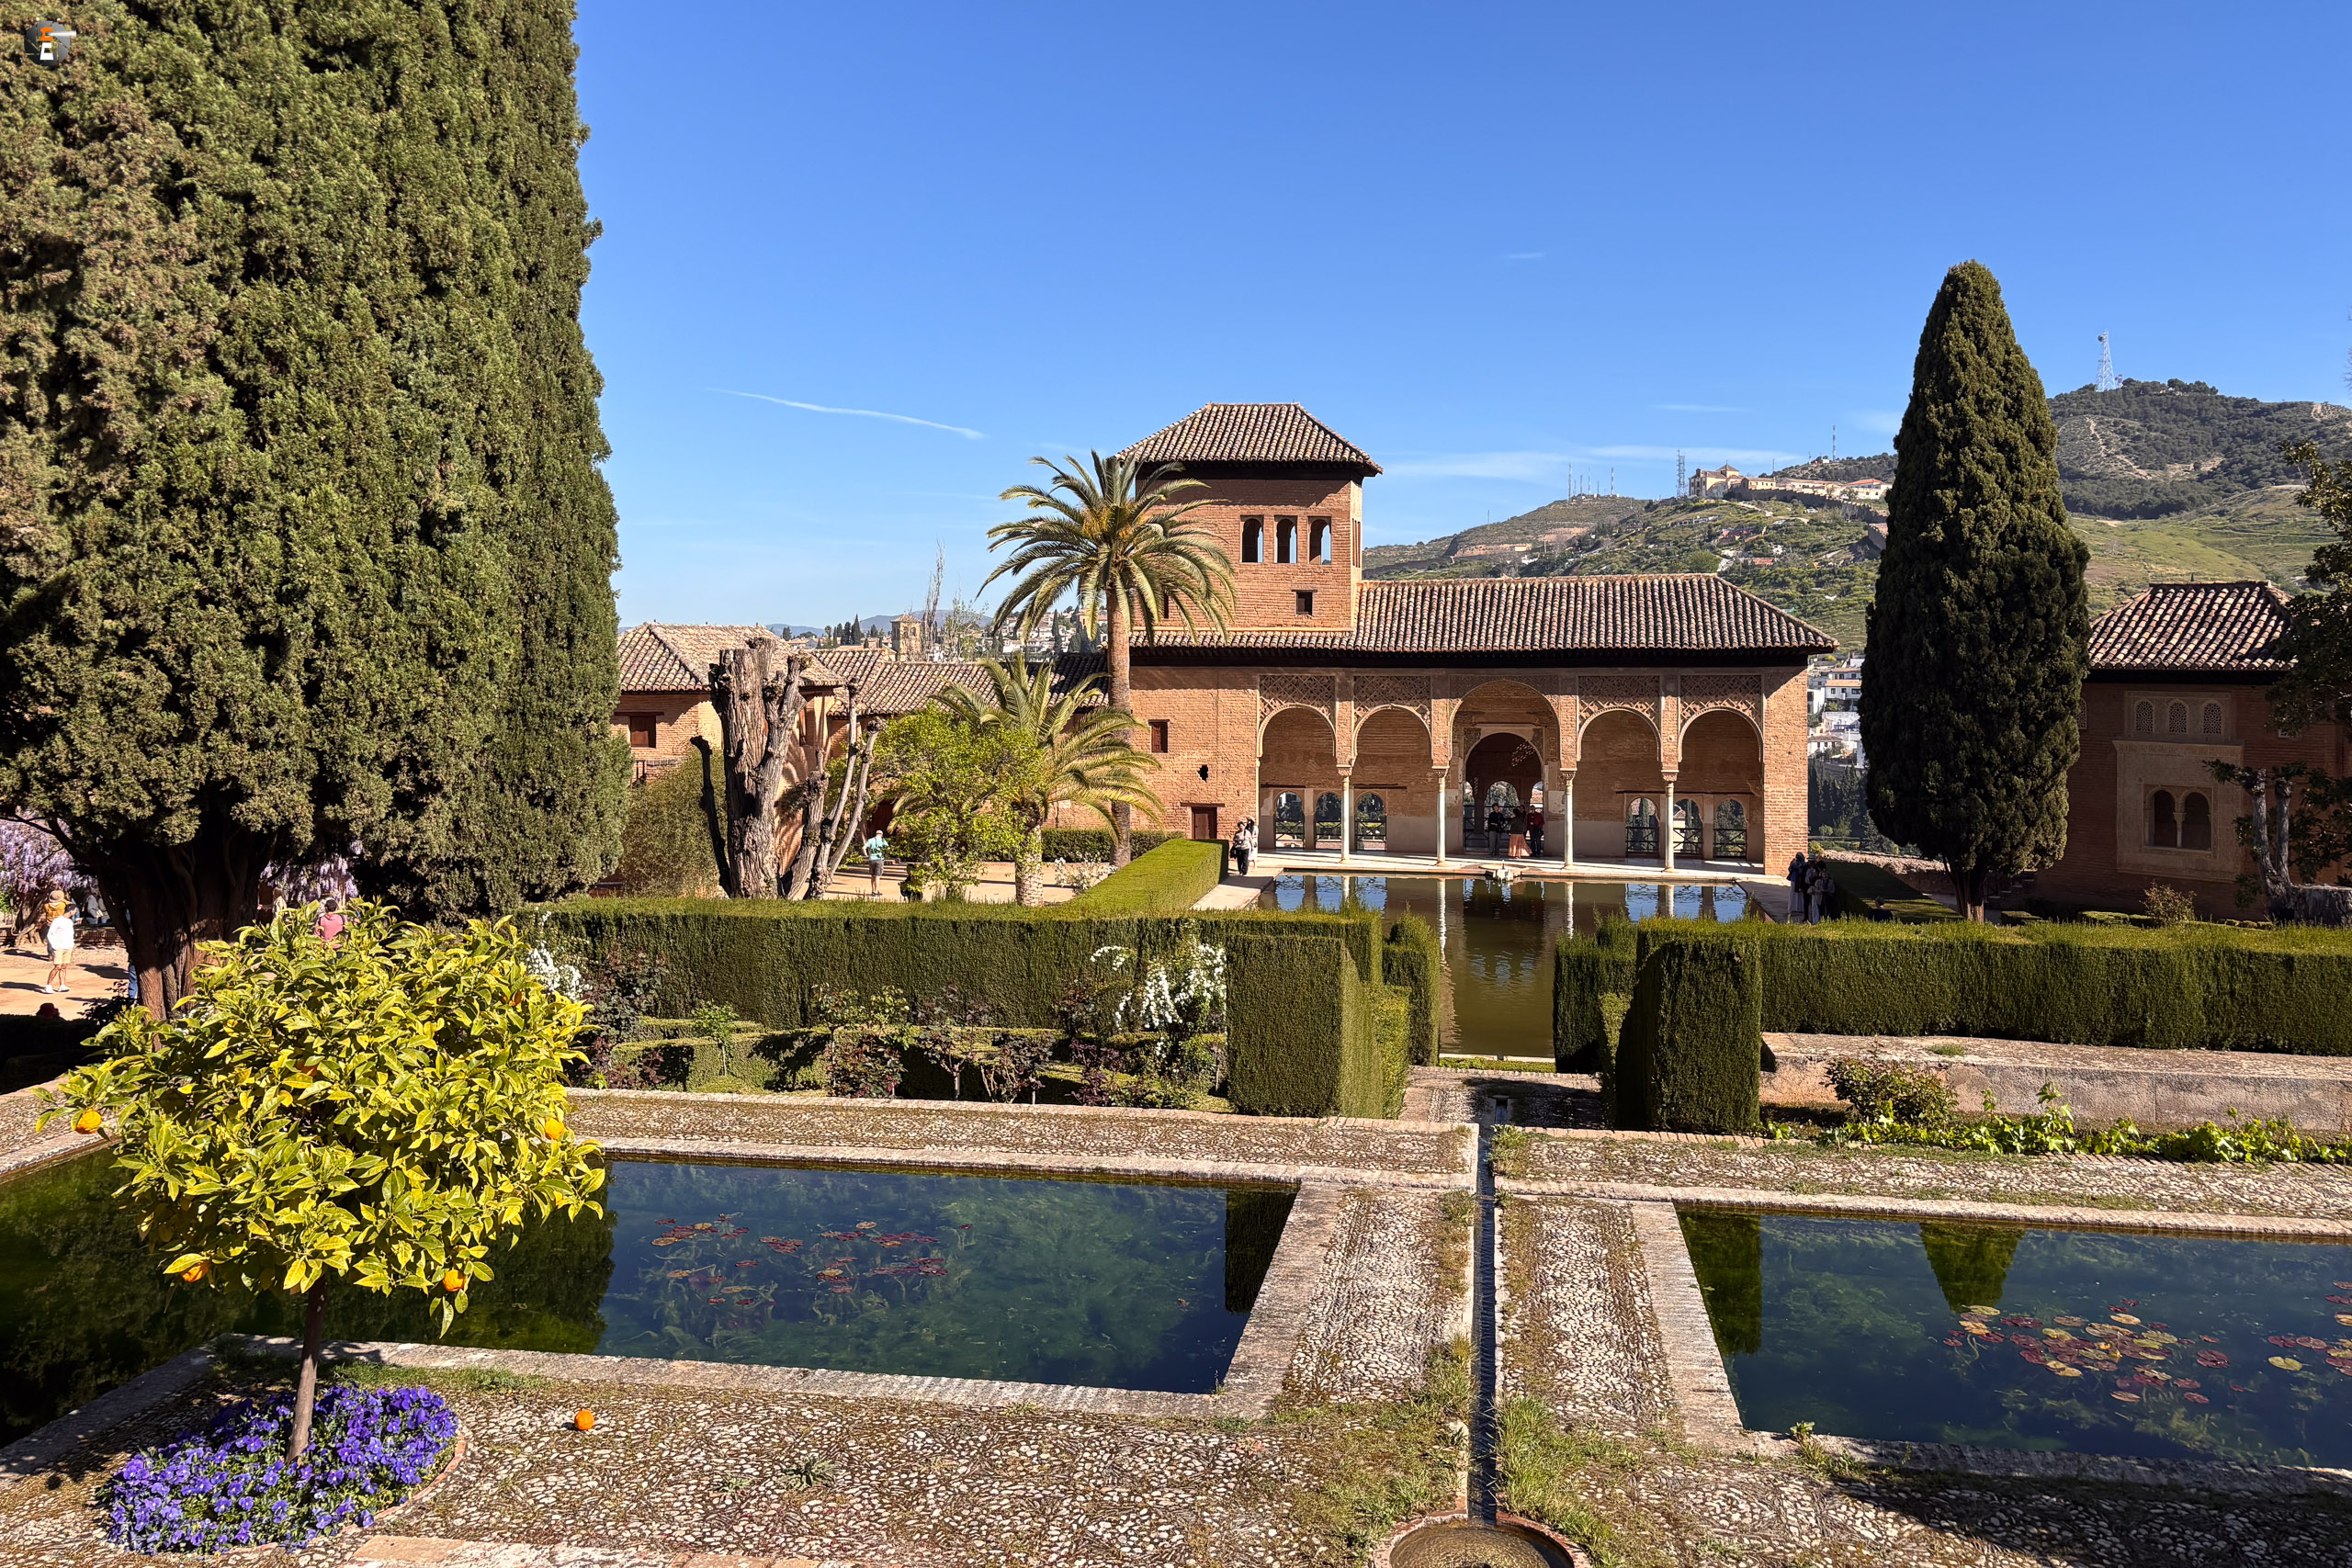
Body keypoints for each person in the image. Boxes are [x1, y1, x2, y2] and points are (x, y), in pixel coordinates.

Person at [40, 892, 75, 995]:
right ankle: (48, 985)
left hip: (67, 946)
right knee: (57, 967)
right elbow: (50, 934)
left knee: (64, 966)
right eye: (75, 910)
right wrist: (54, 946)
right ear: (71, 911)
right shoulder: (58, 920)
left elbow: (70, 934)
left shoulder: (69, 921)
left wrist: (71, 945)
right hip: (58, 947)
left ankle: (62, 985)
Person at [864, 829, 889, 896]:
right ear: (881, 835)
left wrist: (867, 855)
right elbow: (888, 849)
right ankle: (875, 891)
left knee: (872, 875)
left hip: (871, 859)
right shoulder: (883, 840)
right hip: (879, 859)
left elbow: (863, 848)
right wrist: (885, 855)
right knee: (877, 876)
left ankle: (873, 890)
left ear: (876, 834)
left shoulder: (870, 840)